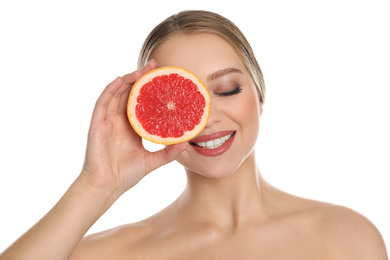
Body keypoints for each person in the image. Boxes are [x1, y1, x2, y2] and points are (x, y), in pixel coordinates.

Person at [0, 10, 387, 260]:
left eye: (226, 90)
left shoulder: (346, 237)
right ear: (149, 118)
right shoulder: (112, 253)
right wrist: (95, 186)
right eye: (180, 101)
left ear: (260, 96)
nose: (206, 118)